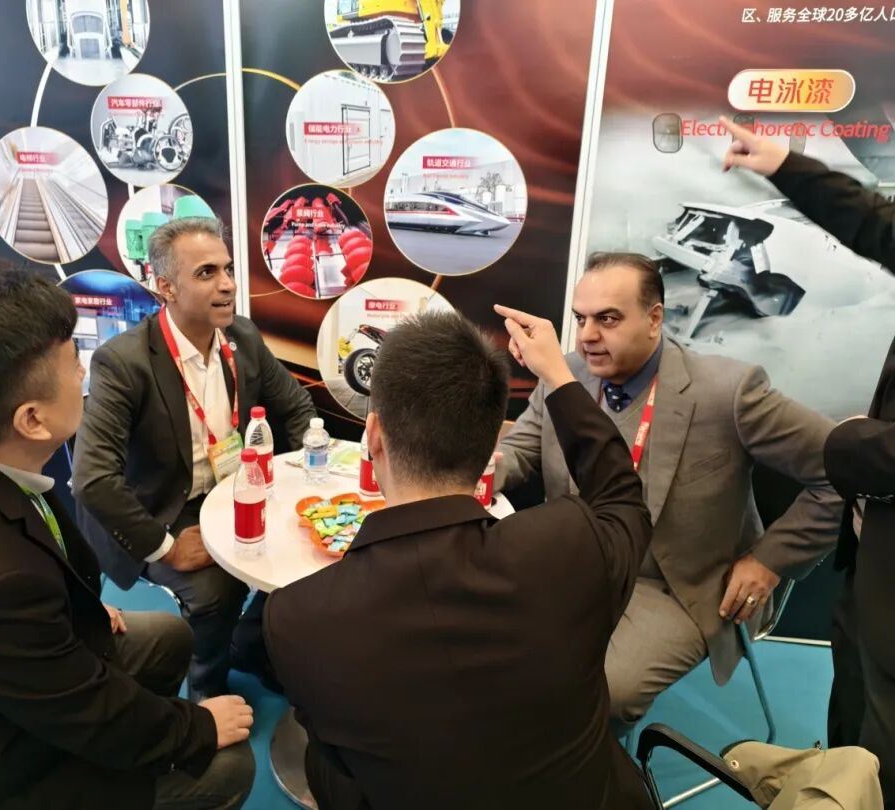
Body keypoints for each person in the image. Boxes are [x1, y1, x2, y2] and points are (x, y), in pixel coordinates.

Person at [0, 259, 255, 810]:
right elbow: (93, 716)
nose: (84, 374)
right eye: (73, 365)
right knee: (228, 764)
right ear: (32, 420)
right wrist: (195, 728)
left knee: (168, 638)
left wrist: (66, 604)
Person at [265, 310, 655, 809]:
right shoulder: (571, 545)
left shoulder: (296, 619)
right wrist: (559, 376)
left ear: (374, 435)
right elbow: (621, 495)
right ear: (492, 442)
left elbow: (335, 757)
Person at [496, 252, 842, 736]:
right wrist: (478, 473)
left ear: (655, 318)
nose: (587, 335)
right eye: (580, 319)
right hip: (576, 564)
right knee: (490, 648)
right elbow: (520, 451)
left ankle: (585, 765)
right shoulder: (566, 373)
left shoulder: (729, 391)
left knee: (606, 692)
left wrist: (769, 561)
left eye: (607, 319)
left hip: (674, 585)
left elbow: (841, 474)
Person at [722, 115, 895, 801]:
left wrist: (850, 444)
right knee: (853, 695)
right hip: (873, 557)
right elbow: (875, 222)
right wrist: (785, 164)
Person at [73, 217, 317, 701]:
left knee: (302, 549)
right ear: (165, 287)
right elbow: (92, 479)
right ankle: (206, 694)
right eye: (206, 273)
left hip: (232, 489)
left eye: (227, 269)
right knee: (215, 593)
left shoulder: (242, 337)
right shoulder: (123, 362)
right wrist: (165, 548)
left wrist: (305, 478)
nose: (227, 284)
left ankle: (249, 645)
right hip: (160, 507)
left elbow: (297, 409)